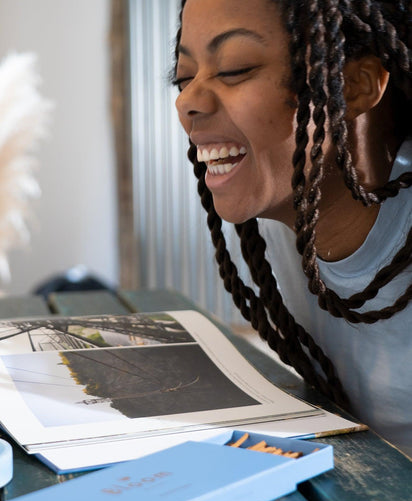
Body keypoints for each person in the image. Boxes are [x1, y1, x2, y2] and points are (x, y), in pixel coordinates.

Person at [173, 0, 412, 456]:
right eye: (183, 77)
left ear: (356, 85)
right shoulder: (286, 207)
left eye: (234, 69)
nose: (188, 100)